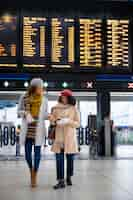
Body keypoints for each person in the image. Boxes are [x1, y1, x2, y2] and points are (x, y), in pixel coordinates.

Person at [17, 78, 48, 188]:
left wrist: (49, 116)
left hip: (38, 130)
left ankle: (34, 175)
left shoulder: (44, 100)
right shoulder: (24, 97)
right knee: (27, 155)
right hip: (28, 130)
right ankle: (31, 170)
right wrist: (25, 113)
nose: (42, 89)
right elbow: (18, 111)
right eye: (40, 87)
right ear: (35, 87)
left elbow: (44, 114)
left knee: (37, 155)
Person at [49, 89, 80, 189]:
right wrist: (55, 121)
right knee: (59, 159)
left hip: (70, 138)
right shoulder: (55, 108)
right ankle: (60, 181)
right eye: (62, 97)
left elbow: (78, 124)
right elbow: (52, 121)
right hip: (59, 137)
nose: (64, 99)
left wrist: (68, 121)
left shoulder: (74, 109)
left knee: (70, 159)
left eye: (65, 97)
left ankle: (69, 176)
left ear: (69, 98)